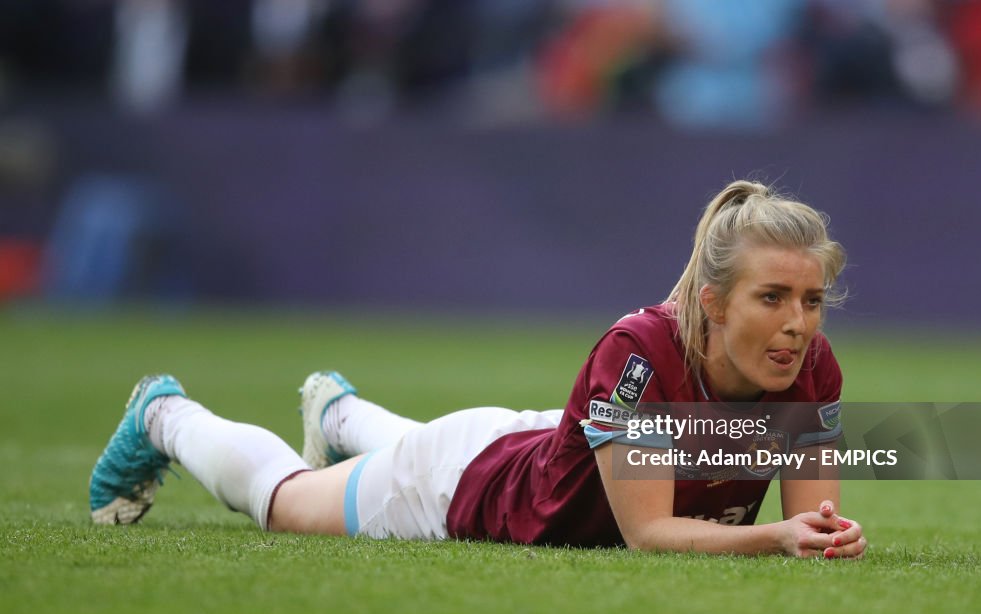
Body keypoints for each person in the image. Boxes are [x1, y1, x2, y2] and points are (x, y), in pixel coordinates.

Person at [89, 179, 868, 559]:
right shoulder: (638, 356)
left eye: (810, 299)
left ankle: (340, 417)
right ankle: (164, 415)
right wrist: (776, 538)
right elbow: (650, 532)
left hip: (532, 443)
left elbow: (816, 523)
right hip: (461, 481)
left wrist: (825, 536)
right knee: (288, 504)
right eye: (772, 297)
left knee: (432, 447)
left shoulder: (811, 367)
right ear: (716, 302)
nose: (797, 324)